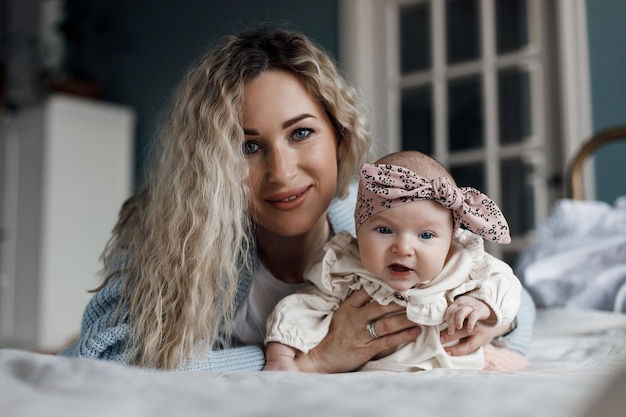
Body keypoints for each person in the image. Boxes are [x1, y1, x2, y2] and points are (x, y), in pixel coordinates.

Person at [60, 25, 535, 371]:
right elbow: (102, 356)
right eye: (249, 146)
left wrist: (490, 324)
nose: (282, 174)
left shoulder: (375, 222)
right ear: (212, 164)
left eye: (301, 133)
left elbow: (515, 298)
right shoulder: (182, 232)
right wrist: (312, 360)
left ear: (339, 137)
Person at [264, 151, 523, 371]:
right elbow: (304, 306)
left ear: (450, 240)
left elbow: (505, 282)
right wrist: (283, 351)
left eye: (426, 235)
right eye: (384, 231)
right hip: (377, 380)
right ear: (359, 228)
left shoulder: (462, 264)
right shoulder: (345, 269)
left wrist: (483, 306)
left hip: (455, 371)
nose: (403, 248)